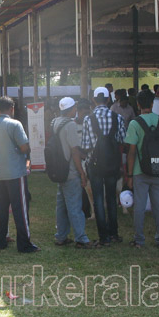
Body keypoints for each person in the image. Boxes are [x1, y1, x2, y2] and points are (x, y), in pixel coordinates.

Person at [0, 96, 39, 253]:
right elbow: (24, 147)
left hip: (0, 173)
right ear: (12, 109)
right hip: (16, 172)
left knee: (0, 209)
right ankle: (24, 244)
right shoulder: (15, 124)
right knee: (20, 209)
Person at [124, 89, 159, 249]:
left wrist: (129, 175)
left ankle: (139, 240)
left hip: (139, 171)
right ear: (152, 103)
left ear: (138, 105)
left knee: (140, 207)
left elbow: (132, 151)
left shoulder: (135, 124)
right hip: (158, 169)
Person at [82, 86, 126, 246]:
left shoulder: (88, 119)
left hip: (94, 164)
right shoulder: (117, 117)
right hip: (112, 163)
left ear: (93, 100)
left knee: (98, 199)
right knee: (112, 197)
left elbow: (86, 144)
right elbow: (122, 139)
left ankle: (103, 237)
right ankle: (114, 233)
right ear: (108, 100)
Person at [52, 97, 94, 249]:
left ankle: (61, 236)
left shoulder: (55, 122)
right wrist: (81, 172)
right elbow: (75, 151)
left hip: (59, 170)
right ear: (71, 109)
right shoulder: (69, 125)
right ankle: (81, 238)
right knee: (75, 206)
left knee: (61, 205)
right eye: (75, 107)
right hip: (70, 171)